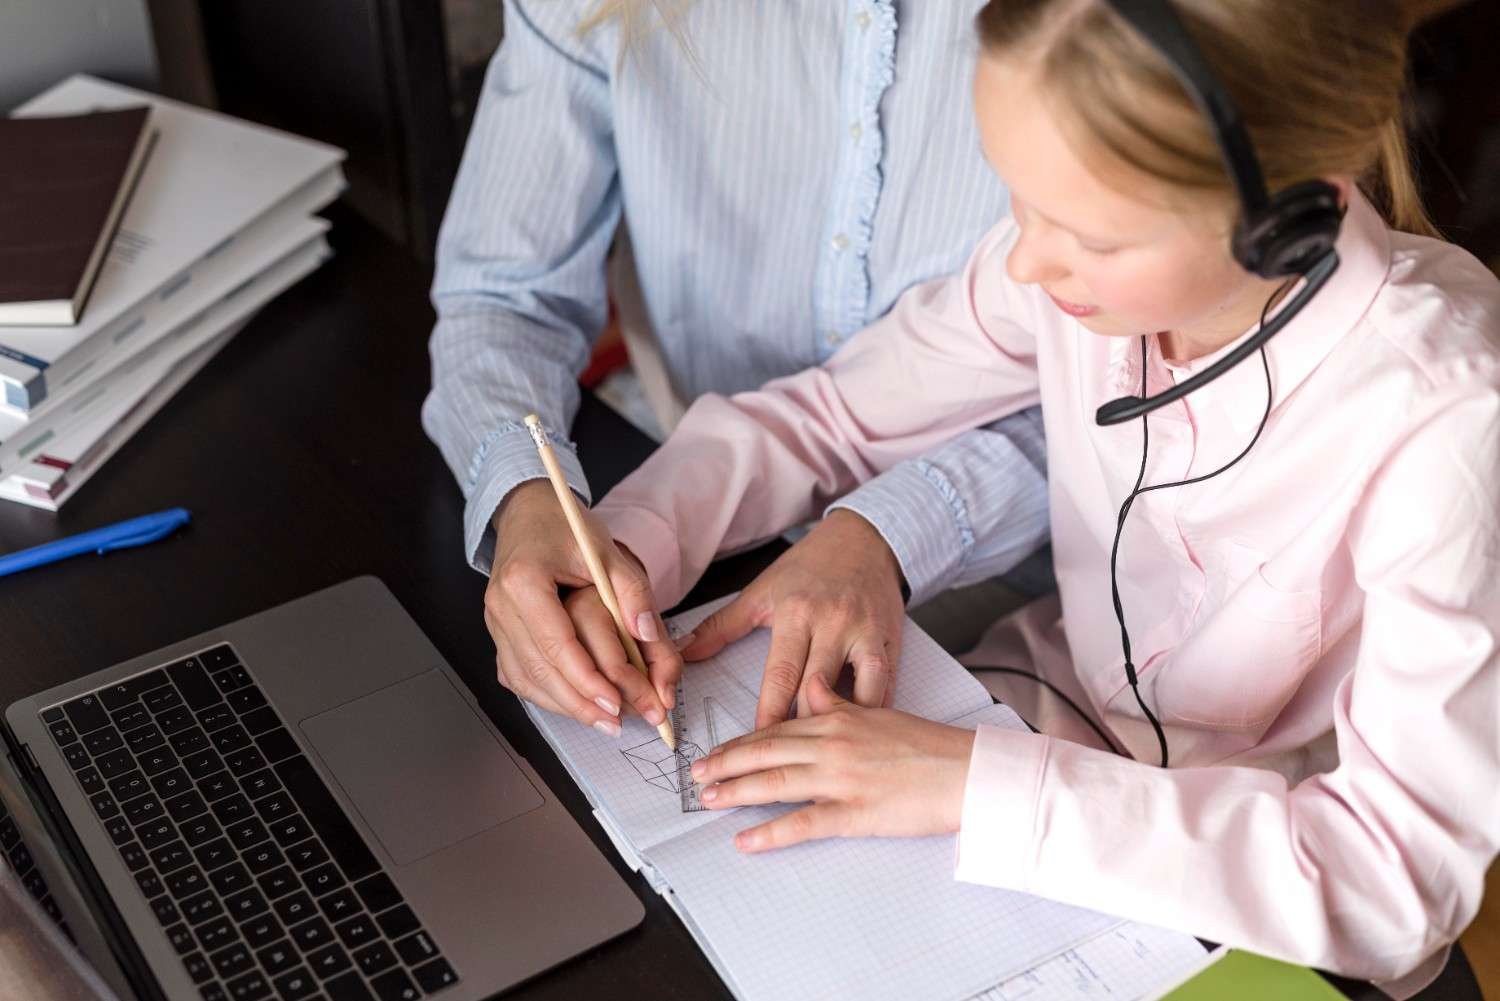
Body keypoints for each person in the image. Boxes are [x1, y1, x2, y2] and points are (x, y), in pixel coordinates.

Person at [588, 0, 1500, 995]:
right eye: (1020, 200)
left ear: (1288, 220)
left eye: (1090, 236)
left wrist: (972, 784)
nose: (1025, 260)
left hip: (1263, 895)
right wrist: (628, 545)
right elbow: (837, 411)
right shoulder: (1061, 274)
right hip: (1024, 728)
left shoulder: (1450, 417)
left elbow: (1392, 881)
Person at [423, 0, 1054, 738]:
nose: (1034, 256)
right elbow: (502, 295)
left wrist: (885, 531)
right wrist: (563, 517)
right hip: (718, 525)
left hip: (1034, 572)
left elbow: (1099, 385)